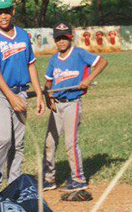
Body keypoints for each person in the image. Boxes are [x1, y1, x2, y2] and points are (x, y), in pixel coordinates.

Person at [0, 0, 44, 185]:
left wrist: (39, 95)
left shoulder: (23, 35)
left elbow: (31, 65)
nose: (4, 16)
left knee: (18, 143)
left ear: (13, 11)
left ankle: (15, 185)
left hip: (20, 92)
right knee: (3, 139)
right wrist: (11, 97)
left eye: (7, 11)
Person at [42, 23, 108, 193]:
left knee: (70, 143)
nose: (61, 41)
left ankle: (78, 179)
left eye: (65, 37)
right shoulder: (54, 59)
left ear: (70, 37)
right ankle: (48, 179)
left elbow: (102, 62)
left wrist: (88, 79)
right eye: (58, 38)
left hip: (72, 103)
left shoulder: (79, 53)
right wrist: (48, 95)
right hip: (57, 104)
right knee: (50, 142)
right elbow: (48, 82)